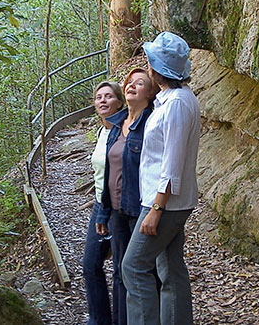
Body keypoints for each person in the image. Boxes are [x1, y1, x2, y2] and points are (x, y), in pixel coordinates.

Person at [122, 32, 200, 325]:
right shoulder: (170, 99)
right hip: (166, 201)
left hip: (164, 203)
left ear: (158, 69)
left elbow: (172, 162)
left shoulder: (178, 103)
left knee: (133, 267)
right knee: (169, 267)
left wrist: (156, 209)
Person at [97, 68, 158, 325]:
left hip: (140, 210)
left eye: (140, 83)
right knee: (121, 271)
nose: (132, 85)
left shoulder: (152, 124)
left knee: (143, 272)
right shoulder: (116, 124)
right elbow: (109, 170)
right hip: (117, 211)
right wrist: (104, 211)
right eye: (129, 82)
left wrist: (156, 209)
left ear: (150, 93)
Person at [83, 81, 125, 325]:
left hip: (119, 207)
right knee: (90, 264)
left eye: (108, 96)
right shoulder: (102, 132)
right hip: (100, 204)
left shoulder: (124, 130)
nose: (103, 101)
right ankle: (99, 320)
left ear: (119, 102)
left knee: (121, 270)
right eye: (99, 97)